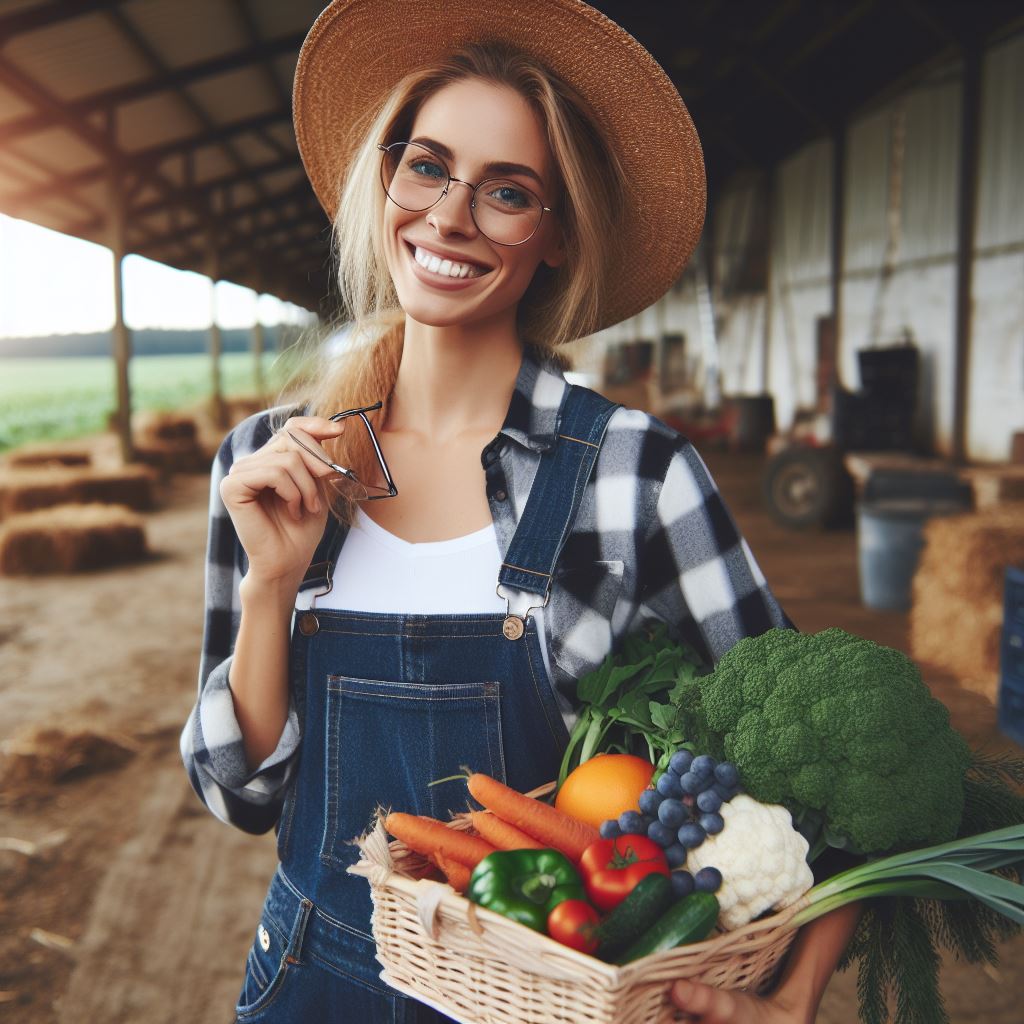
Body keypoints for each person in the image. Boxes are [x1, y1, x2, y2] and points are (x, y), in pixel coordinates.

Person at [180, 1, 858, 1021]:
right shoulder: (274, 463)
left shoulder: (637, 475)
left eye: (507, 192)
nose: (450, 217)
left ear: (554, 235)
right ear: (385, 178)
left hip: (548, 997)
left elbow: (823, 770)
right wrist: (273, 583)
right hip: (311, 981)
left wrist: (797, 993)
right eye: (427, 166)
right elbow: (241, 797)